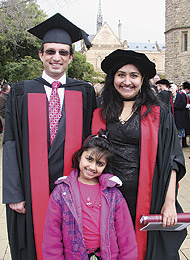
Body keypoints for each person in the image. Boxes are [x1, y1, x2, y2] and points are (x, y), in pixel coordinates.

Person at [3, 13, 97, 260]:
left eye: (63, 52)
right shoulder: (21, 91)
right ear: (41, 55)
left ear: (71, 57)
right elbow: (10, 141)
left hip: (72, 187)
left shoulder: (84, 92)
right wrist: (14, 193)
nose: (57, 57)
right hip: (30, 187)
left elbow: (92, 141)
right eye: (51, 51)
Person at [91, 49, 187, 260]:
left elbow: (172, 158)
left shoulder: (158, 113)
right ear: (112, 79)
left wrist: (169, 202)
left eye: (134, 75)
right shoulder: (101, 112)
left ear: (143, 80)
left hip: (149, 196)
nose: (127, 81)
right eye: (121, 75)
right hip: (110, 197)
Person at [42, 132, 138, 260]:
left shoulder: (113, 195)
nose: (92, 167)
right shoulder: (62, 192)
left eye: (100, 164)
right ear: (79, 156)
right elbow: (52, 236)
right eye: (89, 159)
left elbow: (126, 236)